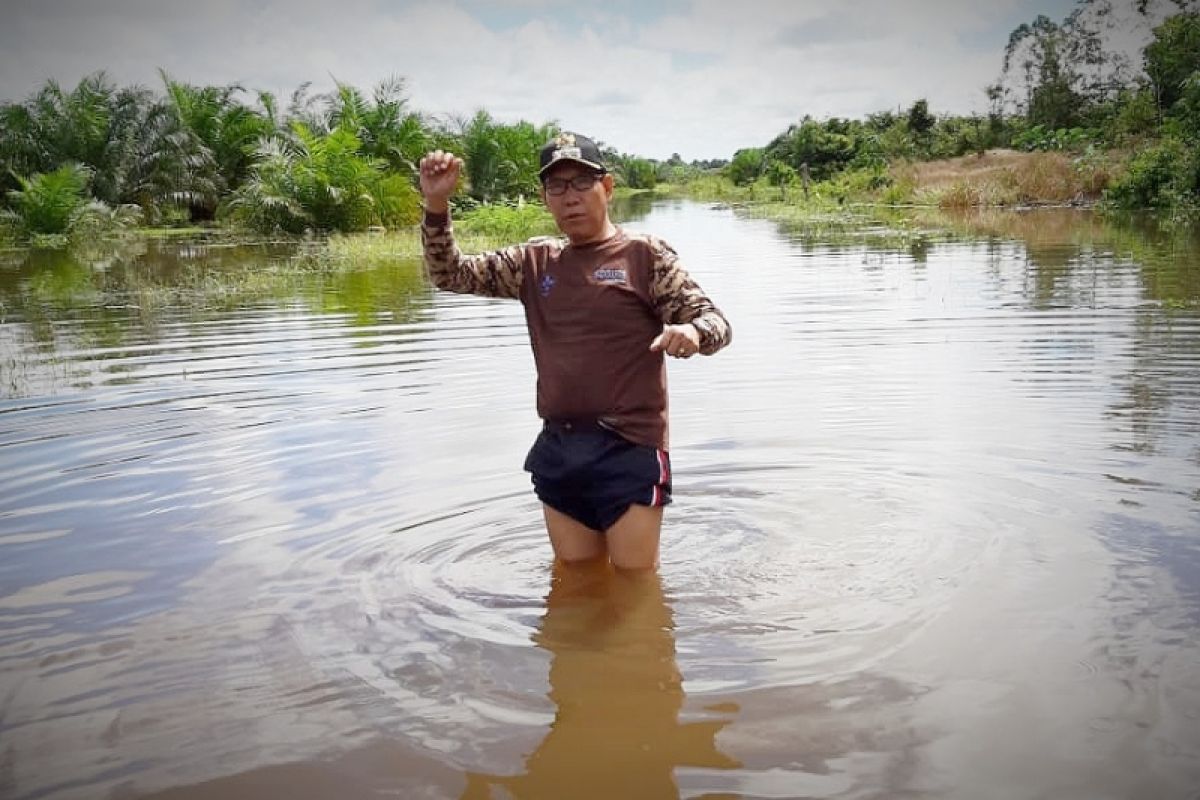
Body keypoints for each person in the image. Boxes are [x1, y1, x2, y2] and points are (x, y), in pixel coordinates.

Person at [419, 132, 731, 571]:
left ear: (607, 188)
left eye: (582, 183)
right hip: (560, 449)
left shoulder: (644, 257)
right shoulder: (533, 263)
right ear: (545, 198)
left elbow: (716, 321)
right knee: (575, 584)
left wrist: (694, 334)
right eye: (557, 186)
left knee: (635, 586)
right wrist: (436, 205)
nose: (571, 197)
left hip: (629, 447)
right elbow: (449, 275)